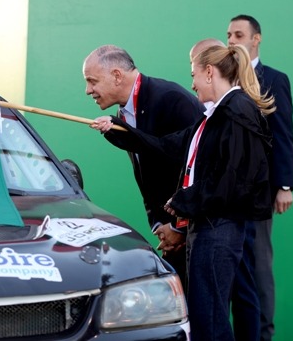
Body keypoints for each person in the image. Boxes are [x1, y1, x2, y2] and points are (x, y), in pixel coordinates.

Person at [90, 44, 274, 341]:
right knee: (204, 321)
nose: (192, 85)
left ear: (209, 73)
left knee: (209, 323)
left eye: (194, 75)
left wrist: (183, 202)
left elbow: (234, 180)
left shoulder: (237, 109)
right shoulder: (214, 115)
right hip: (207, 229)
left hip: (219, 230)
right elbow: (168, 146)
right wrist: (117, 130)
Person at [82, 44, 204, 288]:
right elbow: (147, 177)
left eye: (92, 81)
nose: (88, 90)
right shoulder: (124, 112)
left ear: (117, 75)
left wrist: (179, 227)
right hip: (171, 235)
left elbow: (199, 170)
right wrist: (159, 225)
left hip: (197, 233)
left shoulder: (171, 98)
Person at [227, 14, 293, 341]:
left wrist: (284, 185)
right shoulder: (223, 76)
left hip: (260, 192)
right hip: (225, 192)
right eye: (228, 34)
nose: (231, 40)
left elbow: (283, 134)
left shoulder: (274, 79)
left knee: (259, 266)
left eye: (238, 34)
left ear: (257, 39)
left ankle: (263, 335)